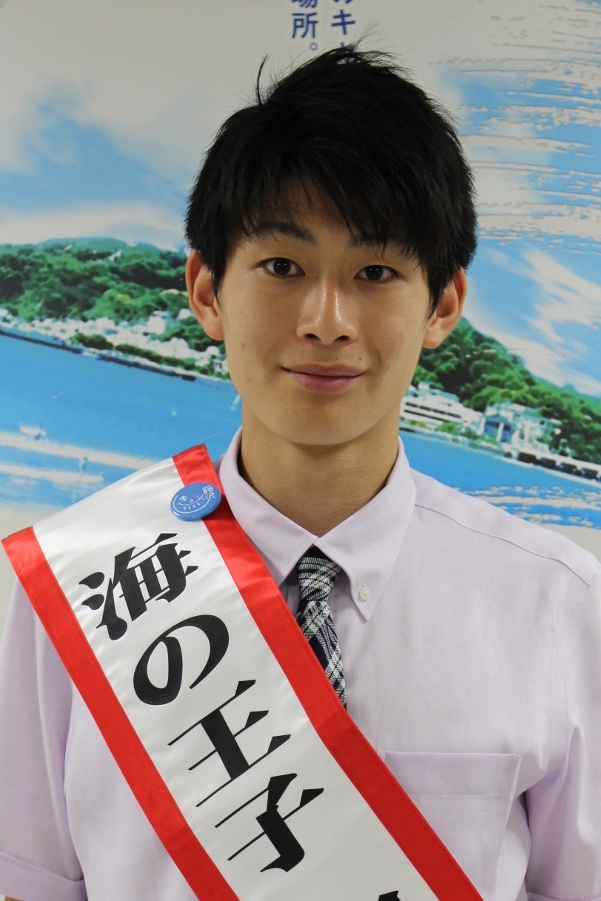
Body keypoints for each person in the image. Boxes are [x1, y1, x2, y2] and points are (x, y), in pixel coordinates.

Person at [0, 46, 600, 901]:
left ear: (441, 306)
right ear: (206, 290)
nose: (326, 320)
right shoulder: (76, 587)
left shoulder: (555, 603)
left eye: (375, 272)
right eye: (282, 267)